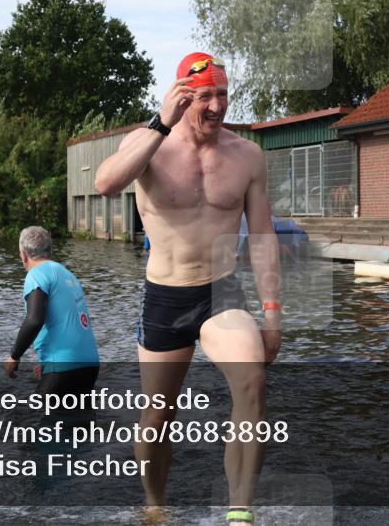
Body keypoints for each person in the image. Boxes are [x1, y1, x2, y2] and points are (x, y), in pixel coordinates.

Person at [94, 52, 281, 525]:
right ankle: (155, 505)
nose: (216, 106)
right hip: (166, 294)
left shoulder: (247, 156)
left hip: (222, 291)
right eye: (205, 96)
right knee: (157, 418)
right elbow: (106, 184)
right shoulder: (150, 143)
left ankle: (239, 512)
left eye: (223, 94)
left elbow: (262, 236)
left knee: (252, 381)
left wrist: (272, 314)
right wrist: (160, 124)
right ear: (182, 95)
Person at [4, 226, 100, 398]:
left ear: (24, 255)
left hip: (65, 364)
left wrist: (14, 356)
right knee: (78, 414)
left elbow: (34, 320)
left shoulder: (36, 274)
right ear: (50, 251)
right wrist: (48, 363)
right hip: (90, 365)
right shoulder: (68, 274)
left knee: (38, 413)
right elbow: (68, 321)